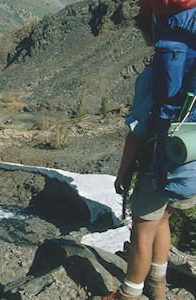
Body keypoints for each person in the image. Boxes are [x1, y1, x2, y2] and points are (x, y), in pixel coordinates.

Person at [104, 1, 196, 300]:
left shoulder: (157, 71)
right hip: (189, 156)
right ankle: (158, 285)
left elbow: (137, 131)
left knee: (142, 230)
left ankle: (128, 295)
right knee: (163, 219)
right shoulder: (188, 62)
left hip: (160, 160)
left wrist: (122, 173)